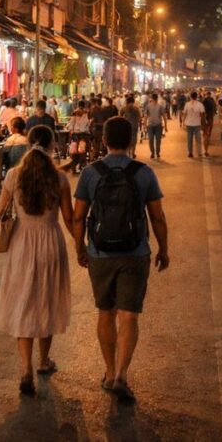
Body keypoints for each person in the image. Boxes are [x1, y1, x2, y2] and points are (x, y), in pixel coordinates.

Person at [71, 117, 169, 403]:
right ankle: (121, 375)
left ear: (104, 141)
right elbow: (158, 216)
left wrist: (80, 248)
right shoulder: (144, 173)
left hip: (100, 253)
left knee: (106, 312)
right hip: (135, 253)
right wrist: (163, 248)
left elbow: (78, 217)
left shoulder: (91, 173)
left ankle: (109, 370)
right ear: (130, 141)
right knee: (129, 315)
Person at [0, 126, 73, 395]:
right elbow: (70, 219)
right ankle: (43, 361)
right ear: (51, 146)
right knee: (45, 300)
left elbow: (0, 211)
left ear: (28, 144)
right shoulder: (60, 178)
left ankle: (25, 368)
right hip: (51, 241)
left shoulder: (14, 175)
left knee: (23, 301)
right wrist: (82, 247)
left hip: (22, 243)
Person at [62, 101, 92, 174]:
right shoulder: (86, 114)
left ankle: (73, 168)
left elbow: (69, 125)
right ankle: (82, 167)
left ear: (78, 105)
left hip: (75, 136)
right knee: (83, 151)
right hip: (83, 136)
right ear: (84, 105)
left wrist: (71, 130)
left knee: (74, 152)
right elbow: (87, 124)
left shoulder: (74, 113)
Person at [182, 91, 206, 158]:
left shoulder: (187, 104)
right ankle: (199, 152)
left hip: (189, 124)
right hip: (197, 124)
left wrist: (183, 122)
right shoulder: (200, 104)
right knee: (198, 139)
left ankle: (190, 153)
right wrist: (203, 124)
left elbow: (184, 114)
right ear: (197, 96)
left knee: (189, 139)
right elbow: (202, 114)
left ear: (190, 97)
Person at [144, 93, 165, 159]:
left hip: (158, 125)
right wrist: (145, 125)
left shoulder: (160, 106)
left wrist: (165, 126)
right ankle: (153, 153)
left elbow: (164, 116)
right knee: (152, 139)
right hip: (151, 125)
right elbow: (146, 116)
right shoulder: (148, 106)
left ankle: (157, 152)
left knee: (156, 140)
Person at [201, 90, 217, 157]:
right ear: (210, 94)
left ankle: (206, 136)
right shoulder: (213, 100)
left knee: (205, 126)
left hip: (206, 115)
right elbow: (215, 107)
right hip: (211, 115)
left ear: (207, 94)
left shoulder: (205, 100)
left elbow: (202, 107)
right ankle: (208, 136)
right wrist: (214, 112)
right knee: (210, 126)